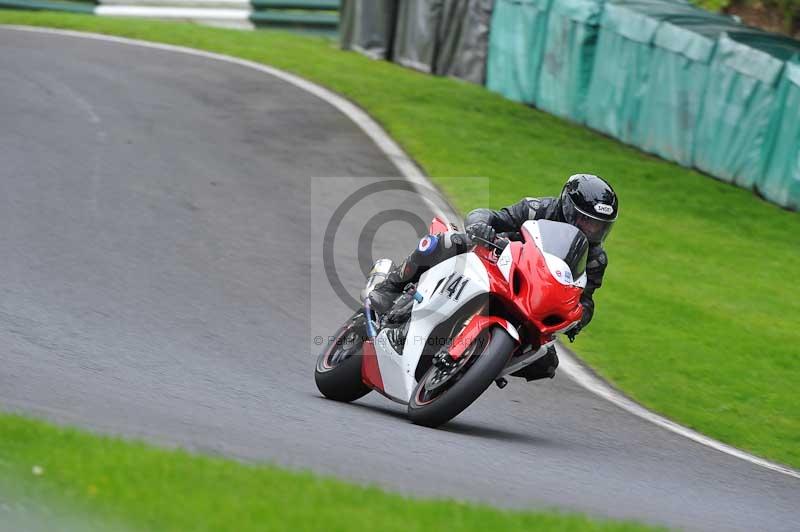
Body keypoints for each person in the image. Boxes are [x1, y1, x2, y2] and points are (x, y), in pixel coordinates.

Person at [369, 174, 618, 381]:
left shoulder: (595, 259)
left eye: (598, 225)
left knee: (545, 362)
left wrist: (578, 318)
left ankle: (477, 367)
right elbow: (490, 215)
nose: (591, 230)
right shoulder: (538, 209)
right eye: (586, 220)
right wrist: (481, 227)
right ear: (567, 208)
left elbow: (584, 297)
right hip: (495, 259)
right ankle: (391, 285)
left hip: (530, 295)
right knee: (448, 240)